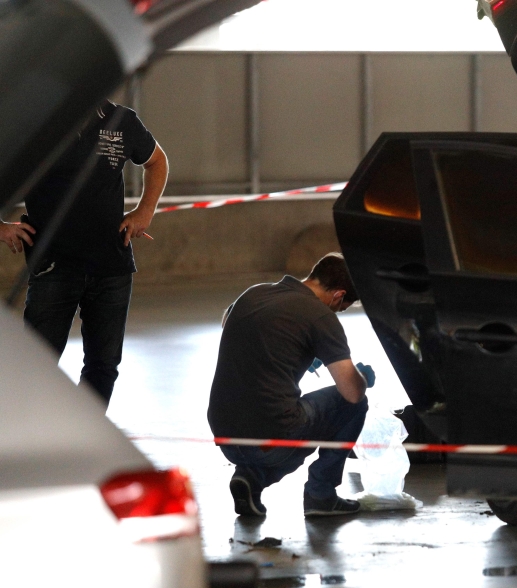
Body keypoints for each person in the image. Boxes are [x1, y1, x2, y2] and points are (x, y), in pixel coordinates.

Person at [0, 100, 168, 406]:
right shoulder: (32, 123)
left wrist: (145, 211)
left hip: (111, 265)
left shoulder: (122, 121)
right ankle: (34, 441)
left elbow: (157, 161)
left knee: (103, 367)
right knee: (37, 366)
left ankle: (87, 439)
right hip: (54, 267)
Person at [208, 253, 375, 518]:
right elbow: (352, 393)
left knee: (278, 419)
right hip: (271, 440)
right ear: (338, 295)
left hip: (225, 433)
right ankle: (322, 495)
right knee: (353, 405)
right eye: (341, 307)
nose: (337, 312)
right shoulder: (321, 316)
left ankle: (251, 479)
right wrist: (362, 379)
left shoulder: (254, 293)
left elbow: (229, 320)